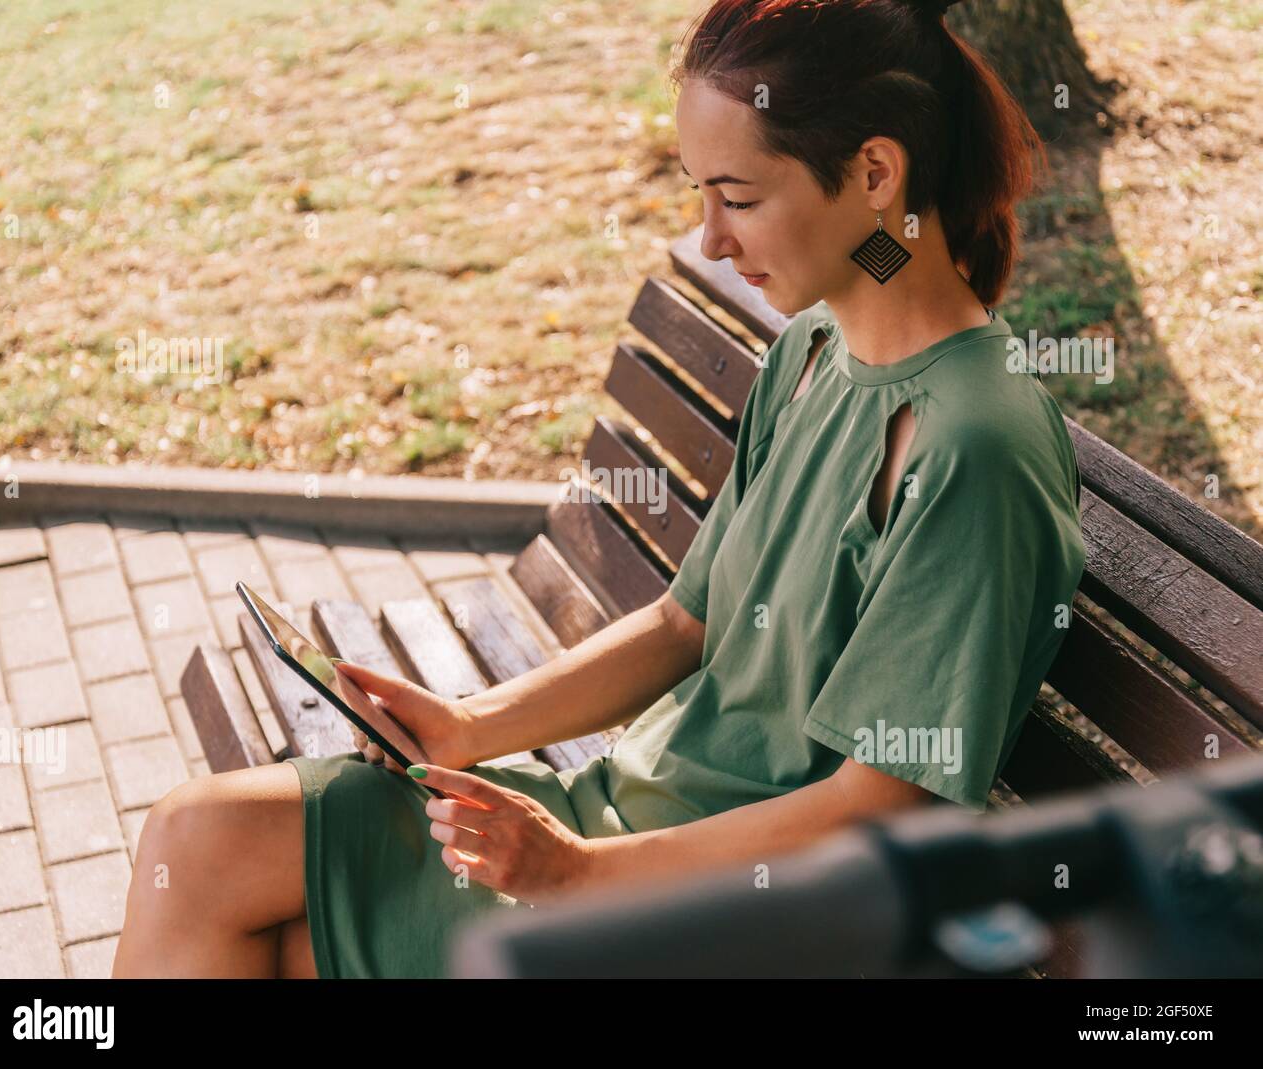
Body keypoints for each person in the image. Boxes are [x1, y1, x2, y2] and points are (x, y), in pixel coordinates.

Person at [113, 0, 1087, 979]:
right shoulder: (810, 354)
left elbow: (879, 812)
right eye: (699, 194)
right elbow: (682, 623)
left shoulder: (971, 452)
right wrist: (469, 723)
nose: (709, 240)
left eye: (738, 198)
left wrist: (576, 874)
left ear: (876, 175)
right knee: (199, 843)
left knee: (264, 929)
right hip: (627, 827)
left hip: (726, 914)